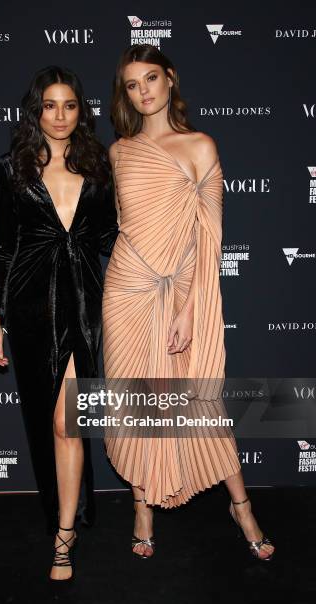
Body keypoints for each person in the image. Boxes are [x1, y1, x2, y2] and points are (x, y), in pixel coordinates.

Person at [102, 44, 275, 561]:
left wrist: (187, 308)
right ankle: (141, 507)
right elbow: (123, 224)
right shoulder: (119, 151)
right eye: (132, 85)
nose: (144, 91)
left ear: (170, 79)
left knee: (200, 405)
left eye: (151, 78)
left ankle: (241, 507)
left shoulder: (200, 145)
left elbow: (210, 237)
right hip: (126, 290)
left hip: (181, 291)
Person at [0, 65, 119, 581]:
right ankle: (62, 519)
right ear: (35, 110)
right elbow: (3, 248)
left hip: (84, 302)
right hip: (30, 304)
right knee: (51, 423)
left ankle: (65, 536)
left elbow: (112, 238)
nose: (59, 116)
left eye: (69, 105)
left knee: (70, 422)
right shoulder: (12, 168)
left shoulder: (99, 167)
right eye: (49, 105)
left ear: (81, 110)